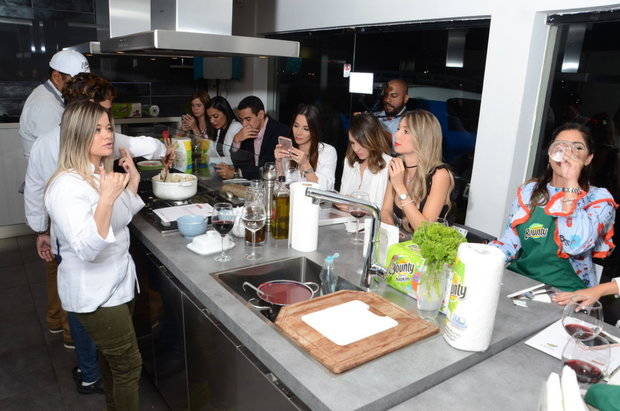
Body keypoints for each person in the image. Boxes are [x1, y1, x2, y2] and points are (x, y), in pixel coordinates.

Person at [24, 72, 171, 394]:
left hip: (94, 254)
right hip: (77, 247)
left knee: (91, 320)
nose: (107, 130)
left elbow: (134, 150)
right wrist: (41, 229)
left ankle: (91, 370)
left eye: (108, 121)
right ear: (81, 113)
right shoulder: (61, 169)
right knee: (83, 310)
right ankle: (90, 371)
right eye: (100, 117)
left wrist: (139, 172)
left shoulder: (94, 155)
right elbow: (43, 193)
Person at [45, 101, 144, 410]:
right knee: (128, 366)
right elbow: (88, 248)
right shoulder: (65, 186)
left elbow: (121, 218)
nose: (108, 134)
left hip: (115, 284)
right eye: (98, 129)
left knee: (114, 364)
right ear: (78, 134)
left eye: (108, 127)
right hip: (96, 294)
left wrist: (133, 184)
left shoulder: (97, 173)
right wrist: (105, 199)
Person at [492, 123, 616, 292]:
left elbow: (575, 245)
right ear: (550, 154)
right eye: (560, 146)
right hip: (522, 283)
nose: (567, 153)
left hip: (567, 293)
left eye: (577, 148)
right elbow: (509, 244)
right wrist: (480, 257)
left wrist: (571, 181)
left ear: (588, 159)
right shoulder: (529, 191)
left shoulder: (599, 199)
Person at [380, 109, 454, 232]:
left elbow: (424, 230)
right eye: (398, 129)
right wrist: (393, 235)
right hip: (402, 245)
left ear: (423, 138)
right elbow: (385, 211)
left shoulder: (439, 174)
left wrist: (399, 186)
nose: (397, 135)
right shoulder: (397, 164)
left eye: (406, 131)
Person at [19, 49, 89, 160]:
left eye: (83, 81)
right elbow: (58, 153)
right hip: (50, 174)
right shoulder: (45, 104)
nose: (82, 86)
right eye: (76, 80)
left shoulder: (56, 96)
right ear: (57, 77)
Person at [274, 104, 337, 190]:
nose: (298, 132)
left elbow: (325, 189)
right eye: (296, 126)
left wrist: (305, 164)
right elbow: (281, 187)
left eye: (306, 129)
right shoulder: (289, 149)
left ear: (314, 130)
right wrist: (278, 162)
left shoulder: (327, 151)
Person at [226, 95, 290, 180]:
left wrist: (237, 173)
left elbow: (270, 168)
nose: (244, 124)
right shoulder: (245, 132)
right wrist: (236, 140)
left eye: (248, 119)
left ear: (260, 115)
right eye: (241, 120)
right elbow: (237, 163)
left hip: (271, 182)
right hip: (249, 182)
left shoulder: (281, 131)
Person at [338, 113, 392, 208]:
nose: (356, 149)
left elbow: (383, 209)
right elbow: (341, 200)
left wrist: (352, 203)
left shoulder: (389, 164)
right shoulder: (350, 161)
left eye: (361, 143)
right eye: (353, 143)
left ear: (373, 139)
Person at [204, 96, 242, 177]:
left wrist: (208, 160)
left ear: (225, 112)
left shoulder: (236, 127)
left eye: (215, 116)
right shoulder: (219, 128)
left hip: (235, 175)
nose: (212, 121)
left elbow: (234, 159)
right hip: (222, 174)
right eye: (209, 117)